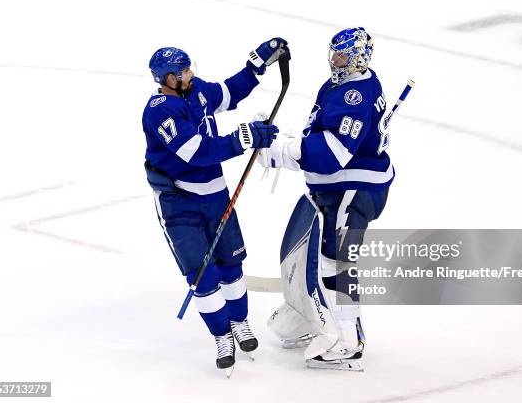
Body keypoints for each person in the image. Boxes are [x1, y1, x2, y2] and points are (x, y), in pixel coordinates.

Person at [141, 38, 287, 374]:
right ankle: (222, 335)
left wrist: (256, 65)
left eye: (189, 67)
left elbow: (229, 92)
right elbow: (195, 152)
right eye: (183, 70)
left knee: (231, 266)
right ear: (168, 78)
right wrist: (242, 138)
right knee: (202, 277)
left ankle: (240, 322)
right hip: (180, 203)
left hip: (215, 194)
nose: (190, 73)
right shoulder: (159, 110)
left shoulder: (196, 90)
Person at [258, 28, 392, 371]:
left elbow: (331, 154)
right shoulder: (339, 86)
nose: (335, 60)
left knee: (337, 264)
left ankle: (348, 338)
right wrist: (285, 145)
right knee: (313, 256)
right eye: (333, 54)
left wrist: (279, 151)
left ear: (359, 58)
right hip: (338, 188)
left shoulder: (356, 98)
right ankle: (308, 316)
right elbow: (315, 137)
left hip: (354, 190)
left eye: (343, 56)